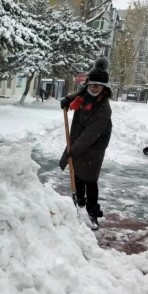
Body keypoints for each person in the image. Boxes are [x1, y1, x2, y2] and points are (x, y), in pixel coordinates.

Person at [59, 57, 113, 227]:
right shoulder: (86, 94)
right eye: (91, 84)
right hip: (79, 137)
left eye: (98, 85)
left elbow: (91, 134)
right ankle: (79, 202)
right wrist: (68, 99)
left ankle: (91, 211)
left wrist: (73, 149)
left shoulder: (103, 109)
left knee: (90, 178)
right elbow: (80, 93)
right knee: (77, 171)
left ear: (104, 88)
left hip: (94, 146)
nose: (94, 88)